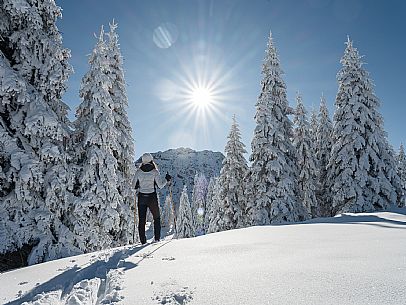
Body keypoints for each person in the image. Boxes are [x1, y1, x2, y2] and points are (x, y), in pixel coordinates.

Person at [134, 153, 171, 244]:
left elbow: (133, 185)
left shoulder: (138, 172)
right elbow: (160, 185)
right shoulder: (155, 172)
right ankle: (157, 239)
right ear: (151, 160)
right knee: (156, 218)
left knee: (142, 220)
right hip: (152, 197)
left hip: (142, 197)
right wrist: (167, 179)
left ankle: (143, 241)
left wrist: (139, 185)